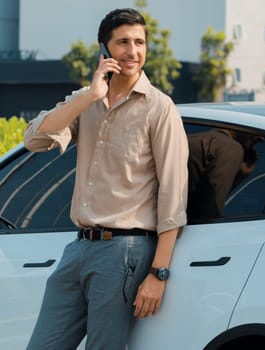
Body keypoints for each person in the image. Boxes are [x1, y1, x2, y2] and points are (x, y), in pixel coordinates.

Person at [23, 8, 188, 350]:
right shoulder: (87, 101)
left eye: (140, 42)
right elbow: (35, 140)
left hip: (124, 252)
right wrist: (90, 96)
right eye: (123, 42)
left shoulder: (159, 108)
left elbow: (174, 195)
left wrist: (158, 273)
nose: (133, 51)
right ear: (104, 49)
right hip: (78, 248)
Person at [187, 128, 262, 221]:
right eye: (258, 130)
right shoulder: (231, 148)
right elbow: (210, 209)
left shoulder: (197, 138)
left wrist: (241, 174)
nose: (261, 138)